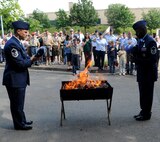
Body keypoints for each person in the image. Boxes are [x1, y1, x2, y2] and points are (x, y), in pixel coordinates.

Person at [2, 20, 41, 130]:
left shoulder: (17, 42)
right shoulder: (12, 45)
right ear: (18, 31)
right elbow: (20, 64)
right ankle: (19, 125)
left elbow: (24, 58)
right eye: (25, 32)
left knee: (19, 103)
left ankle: (22, 120)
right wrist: (33, 59)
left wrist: (32, 58)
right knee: (16, 104)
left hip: (18, 78)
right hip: (14, 79)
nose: (27, 34)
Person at [131, 20, 159, 121]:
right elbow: (139, 51)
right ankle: (143, 111)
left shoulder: (150, 41)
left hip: (149, 73)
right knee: (142, 93)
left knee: (147, 94)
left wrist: (137, 60)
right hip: (142, 72)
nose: (136, 33)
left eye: (137, 31)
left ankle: (147, 114)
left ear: (142, 30)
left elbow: (153, 59)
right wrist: (134, 51)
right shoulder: (141, 40)